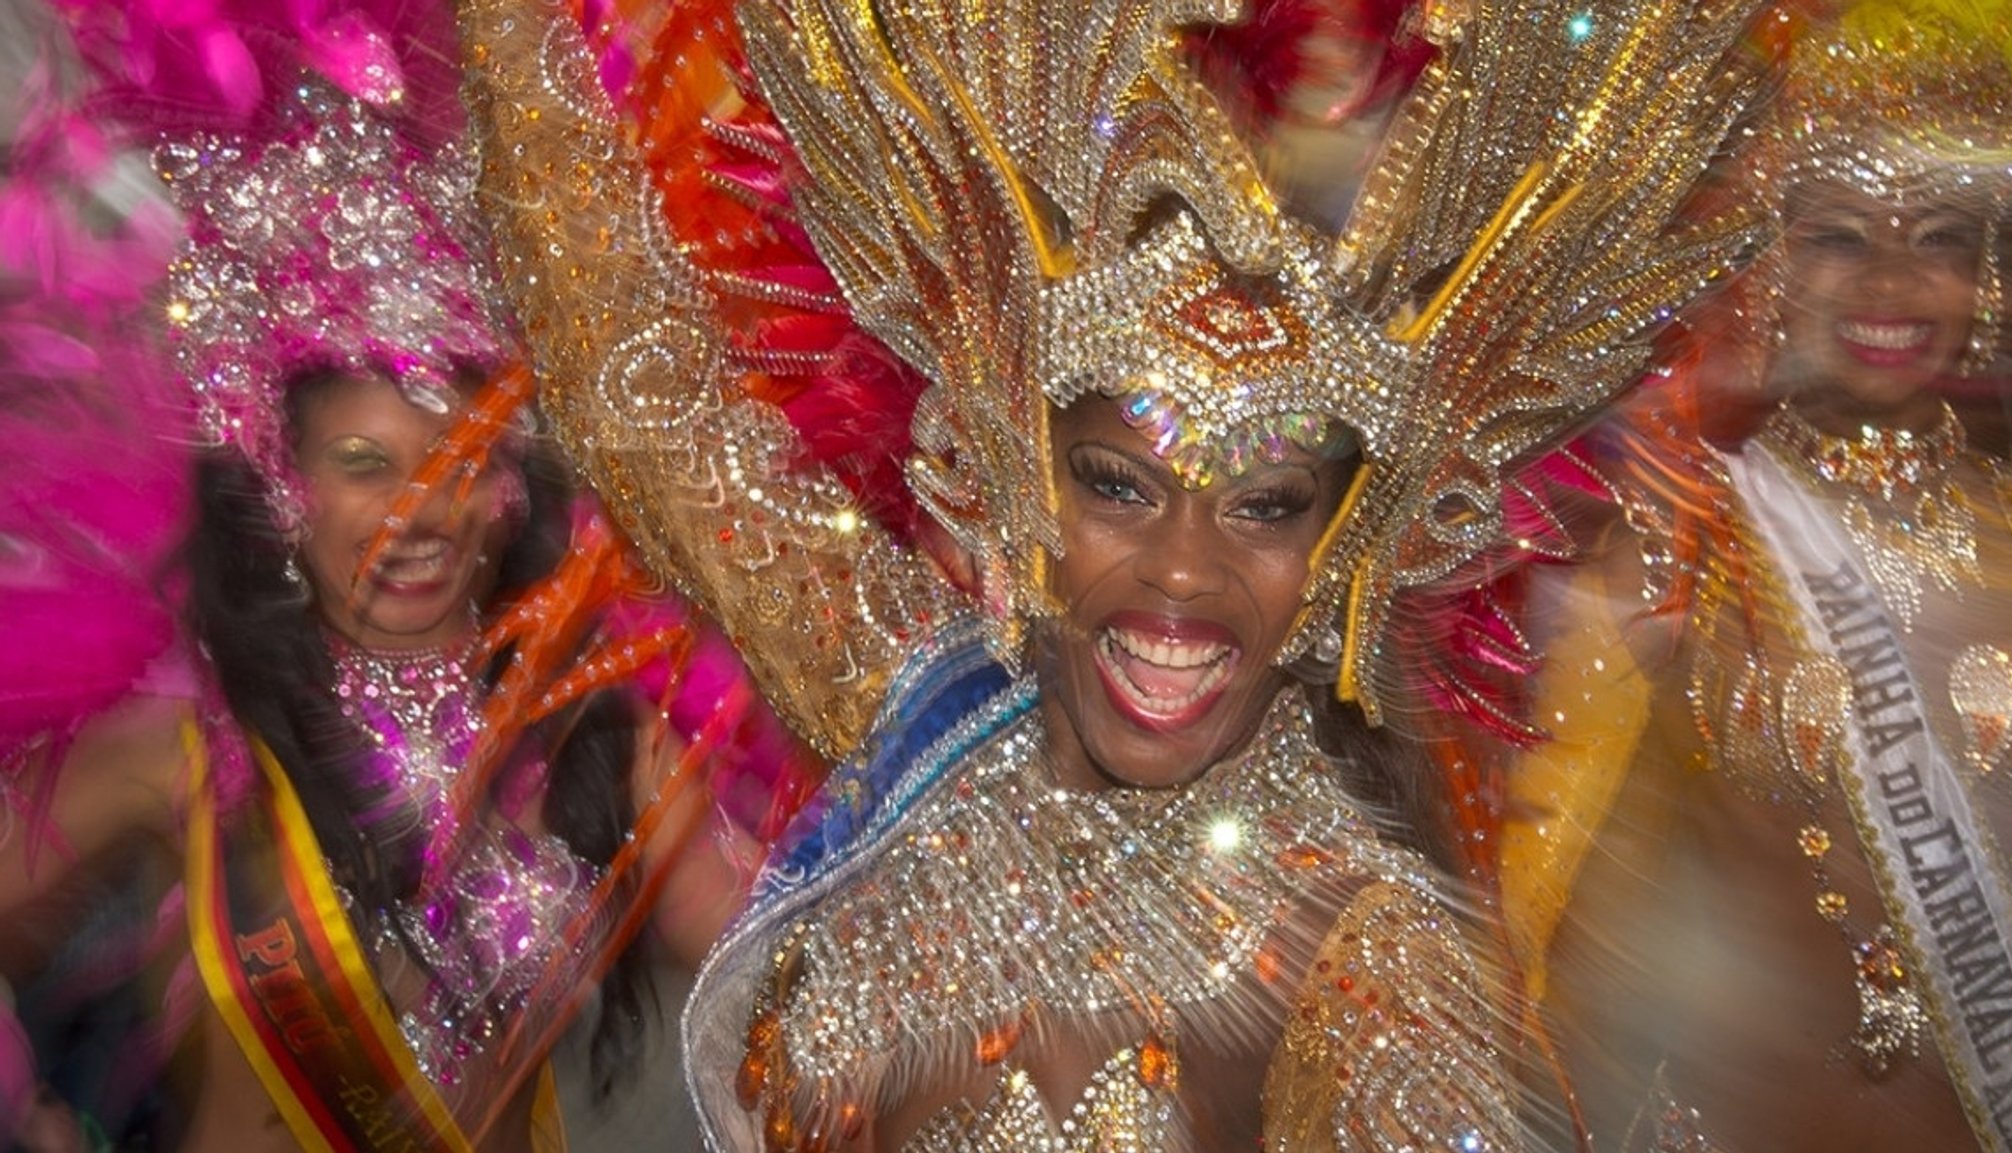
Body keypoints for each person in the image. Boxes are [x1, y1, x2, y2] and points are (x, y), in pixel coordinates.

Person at [456, 0, 1772, 1146]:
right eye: (1119, 487)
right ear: (1013, 479)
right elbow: (634, 381)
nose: (1182, 573)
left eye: (1262, 507)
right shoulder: (928, 696)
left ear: (1346, 548)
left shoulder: (1365, 959)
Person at [0, 1, 789, 1147]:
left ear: (507, 488)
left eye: (455, 464)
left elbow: (801, 970)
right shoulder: (190, 756)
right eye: (364, 464)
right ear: (283, 481)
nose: (416, 511)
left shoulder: (588, 741)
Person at [1497, 3, 2012, 1148]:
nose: (1890, 282)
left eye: (1937, 234)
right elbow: (1559, 893)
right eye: (1838, 235)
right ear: (1766, 263)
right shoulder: (1681, 533)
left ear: (1985, 275)